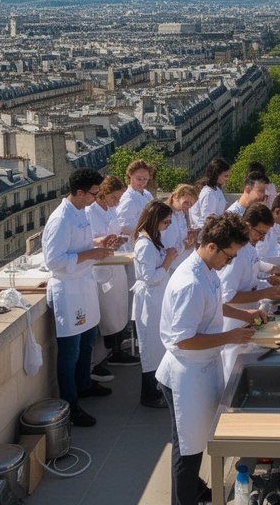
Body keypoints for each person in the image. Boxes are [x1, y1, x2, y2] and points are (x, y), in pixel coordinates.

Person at [157, 213, 259, 505]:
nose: (230, 262)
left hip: (202, 367)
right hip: (185, 373)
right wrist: (230, 338)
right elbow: (183, 339)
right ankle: (185, 499)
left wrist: (245, 315)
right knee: (187, 448)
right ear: (212, 246)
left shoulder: (207, 268)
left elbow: (215, 306)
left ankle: (195, 490)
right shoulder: (190, 282)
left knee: (197, 442)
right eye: (229, 256)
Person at [41, 168, 120, 427]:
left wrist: (98, 242)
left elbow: (78, 243)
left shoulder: (81, 212)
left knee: (88, 338)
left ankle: (84, 384)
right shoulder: (61, 219)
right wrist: (90, 255)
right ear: (79, 192)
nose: (96, 198)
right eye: (94, 193)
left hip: (84, 283)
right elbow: (53, 260)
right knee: (70, 351)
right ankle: (70, 404)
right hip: (69, 290)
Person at [217, 203, 280, 374]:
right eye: (260, 233)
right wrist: (264, 292)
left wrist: (268, 278)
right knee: (231, 370)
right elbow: (227, 296)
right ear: (248, 226)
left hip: (247, 319)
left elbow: (253, 271)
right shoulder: (235, 253)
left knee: (242, 366)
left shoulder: (249, 247)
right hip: (232, 322)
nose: (262, 238)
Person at [87, 175, 137, 384]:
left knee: (119, 309)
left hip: (115, 265)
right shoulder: (91, 212)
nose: (118, 202)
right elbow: (89, 241)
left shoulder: (112, 210)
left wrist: (118, 242)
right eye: (115, 198)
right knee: (106, 314)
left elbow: (114, 232)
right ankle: (105, 354)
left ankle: (116, 351)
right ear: (104, 194)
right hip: (100, 271)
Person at [131, 200, 179, 409]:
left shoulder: (152, 241)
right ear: (155, 220)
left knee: (158, 348)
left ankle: (158, 390)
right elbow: (150, 277)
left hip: (158, 300)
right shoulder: (143, 245)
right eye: (166, 221)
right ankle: (149, 395)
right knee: (151, 350)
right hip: (149, 302)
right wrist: (168, 260)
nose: (168, 225)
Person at [116, 159, 156, 362]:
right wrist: (146, 227)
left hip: (145, 246)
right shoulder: (127, 199)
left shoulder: (146, 195)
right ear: (129, 177)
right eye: (139, 178)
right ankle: (136, 339)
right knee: (136, 296)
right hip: (133, 250)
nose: (142, 182)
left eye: (145, 179)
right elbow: (122, 225)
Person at [163, 184, 199, 274]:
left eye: (191, 204)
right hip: (166, 264)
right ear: (175, 197)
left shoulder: (180, 214)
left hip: (179, 263)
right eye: (186, 202)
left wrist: (189, 240)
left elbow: (180, 239)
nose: (188, 206)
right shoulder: (162, 214)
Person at [189, 158, 230, 228]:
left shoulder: (216, 189)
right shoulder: (208, 193)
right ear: (217, 174)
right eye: (225, 176)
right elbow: (208, 219)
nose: (227, 179)